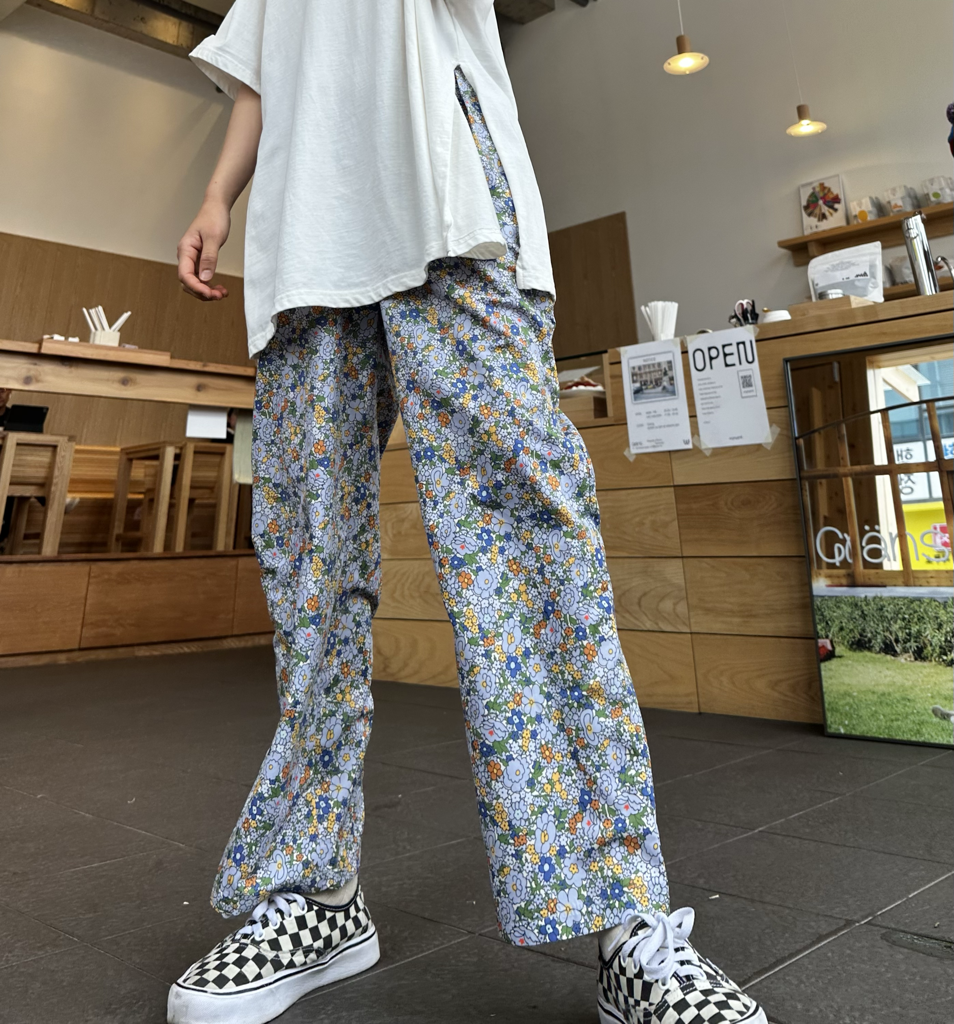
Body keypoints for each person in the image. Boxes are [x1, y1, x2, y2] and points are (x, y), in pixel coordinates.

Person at [169, 4, 766, 1024]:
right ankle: (314, 892)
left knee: (527, 550)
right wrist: (218, 196)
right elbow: (260, 71)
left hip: (447, 199)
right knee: (310, 577)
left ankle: (626, 921)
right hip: (303, 240)